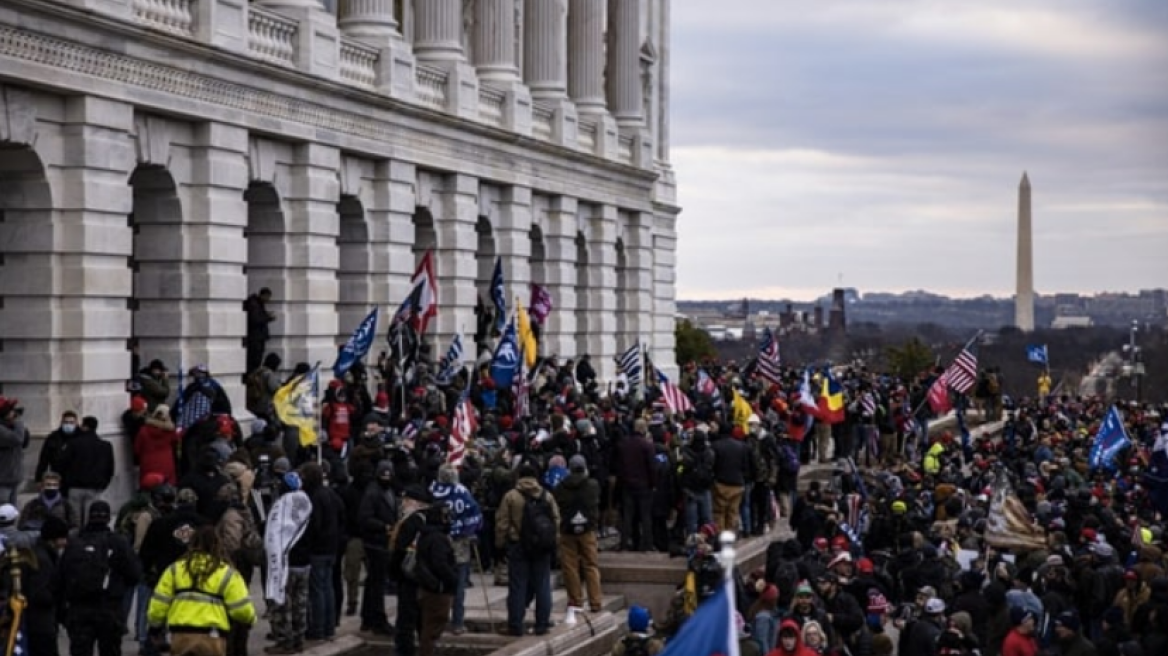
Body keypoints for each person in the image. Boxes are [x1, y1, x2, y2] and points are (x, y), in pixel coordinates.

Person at [147, 525, 257, 656]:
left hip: (181, 636)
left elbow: (159, 604)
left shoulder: (175, 570)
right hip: (212, 638)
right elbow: (242, 610)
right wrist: (250, 620)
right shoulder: (227, 573)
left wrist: (154, 627)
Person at [57, 500, 142, 656]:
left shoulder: (75, 542)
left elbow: (62, 575)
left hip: (80, 609)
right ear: (108, 518)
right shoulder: (118, 542)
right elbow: (134, 574)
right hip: (109, 608)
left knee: (80, 651)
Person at [496, 463, 560, 637]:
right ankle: (542, 624)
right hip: (542, 547)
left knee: (518, 586)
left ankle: (515, 625)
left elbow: (502, 523)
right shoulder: (547, 496)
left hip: (518, 545)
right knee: (543, 585)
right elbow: (556, 521)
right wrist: (554, 544)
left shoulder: (511, 496)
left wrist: (500, 545)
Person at [553, 454, 603, 613]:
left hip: (567, 530)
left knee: (570, 566)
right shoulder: (592, 485)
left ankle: (575, 601)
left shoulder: (561, 487)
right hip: (587, 529)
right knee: (591, 565)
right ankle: (595, 601)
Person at [389, 485, 433, 656]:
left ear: (416, 503)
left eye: (406, 501)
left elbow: (400, 550)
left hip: (409, 576)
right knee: (423, 618)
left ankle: (404, 651)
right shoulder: (431, 520)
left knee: (406, 619)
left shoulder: (411, 521)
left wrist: (393, 571)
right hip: (426, 577)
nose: (403, 504)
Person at [300, 461, 342, 644]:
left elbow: (314, 525)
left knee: (317, 590)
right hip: (331, 546)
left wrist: (308, 541)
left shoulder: (314, 497)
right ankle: (328, 626)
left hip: (318, 548)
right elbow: (342, 514)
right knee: (327, 587)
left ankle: (317, 628)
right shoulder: (330, 493)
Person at [356, 460, 397, 636]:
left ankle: (368, 618)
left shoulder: (388, 491)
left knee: (373, 582)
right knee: (377, 583)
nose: (387, 479)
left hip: (383, 542)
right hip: (375, 543)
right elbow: (364, 518)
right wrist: (384, 526)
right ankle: (378, 620)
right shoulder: (373, 493)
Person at [415, 503, 459, 656]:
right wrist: (452, 579)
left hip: (429, 587)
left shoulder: (426, 535)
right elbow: (440, 564)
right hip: (437, 589)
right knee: (433, 628)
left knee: (429, 626)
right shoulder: (438, 539)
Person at [56, 415, 115, 525]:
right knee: (90, 520)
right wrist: (103, 484)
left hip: (74, 487)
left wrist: (65, 483)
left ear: (84, 427)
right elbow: (110, 468)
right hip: (94, 487)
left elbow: (61, 463)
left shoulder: (73, 444)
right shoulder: (105, 446)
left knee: (75, 520)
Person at [615, 419, 657, 552]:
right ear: (644, 429)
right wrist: (653, 484)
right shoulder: (647, 445)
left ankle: (624, 544)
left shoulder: (623, 444)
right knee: (645, 517)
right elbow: (652, 467)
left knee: (628, 516)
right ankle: (647, 545)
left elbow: (619, 467)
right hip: (644, 485)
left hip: (627, 485)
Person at [135, 404, 179, 486]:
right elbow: (176, 442)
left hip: (148, 464)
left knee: (148, 485)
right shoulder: (170, 432)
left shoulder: (143, 430)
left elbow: (137, 449)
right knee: (167, 487)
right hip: (166, 464)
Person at [35, 409, 78, 482]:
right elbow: (43, 460)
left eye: (71, 422)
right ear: (61, 423)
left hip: (75, 477)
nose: (68, 425)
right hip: (57, 476)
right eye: (66, 422)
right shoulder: (53, 437)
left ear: (76, 423)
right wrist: (39, 478)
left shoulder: (80, 438)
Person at [0, 396, 29, 504]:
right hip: (3, 480)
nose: (14, 413)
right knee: (4, 511)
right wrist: (18, 422)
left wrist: (16, 425)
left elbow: (25, 442)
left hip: (14, 479)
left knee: (12, 511)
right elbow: (17, 439)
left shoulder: (11, 427)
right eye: (11, 410)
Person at [244, 288, 276, 374]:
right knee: (254, 360)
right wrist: (268, 318)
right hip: (255, 338)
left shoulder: (257, 304)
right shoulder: (254, 304)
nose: (268, 300)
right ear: (264, 295)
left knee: (256, 360)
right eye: (268, 297)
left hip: (257, 337)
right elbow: (255, 319)